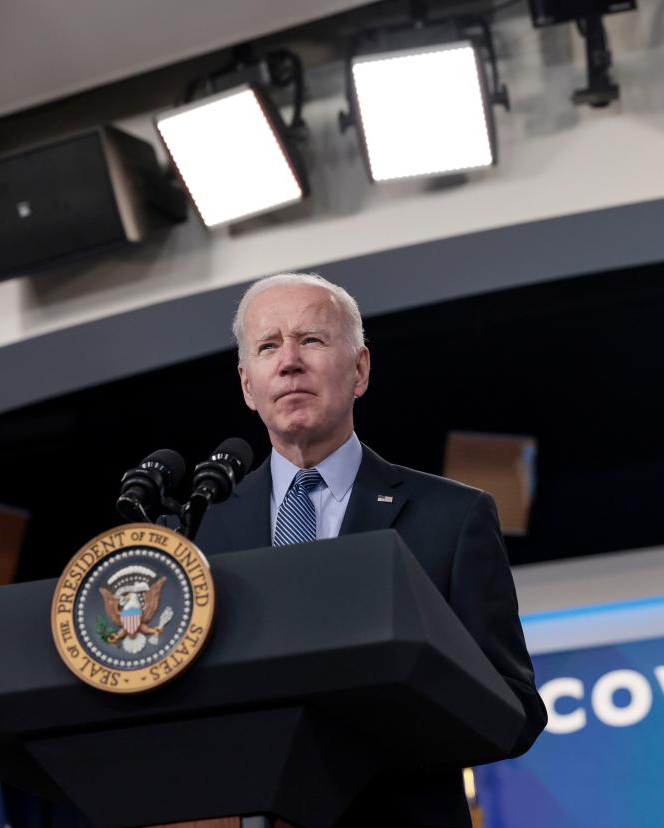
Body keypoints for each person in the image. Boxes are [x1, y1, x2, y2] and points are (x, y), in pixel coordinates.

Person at [193, 271, 546, 827]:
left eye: (311, 340)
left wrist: (385, 710)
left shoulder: (451, 519)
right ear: (246, 385)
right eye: (268, 346)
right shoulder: (197, 532)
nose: (289, 361)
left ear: (359, 370)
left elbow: (515, 711)